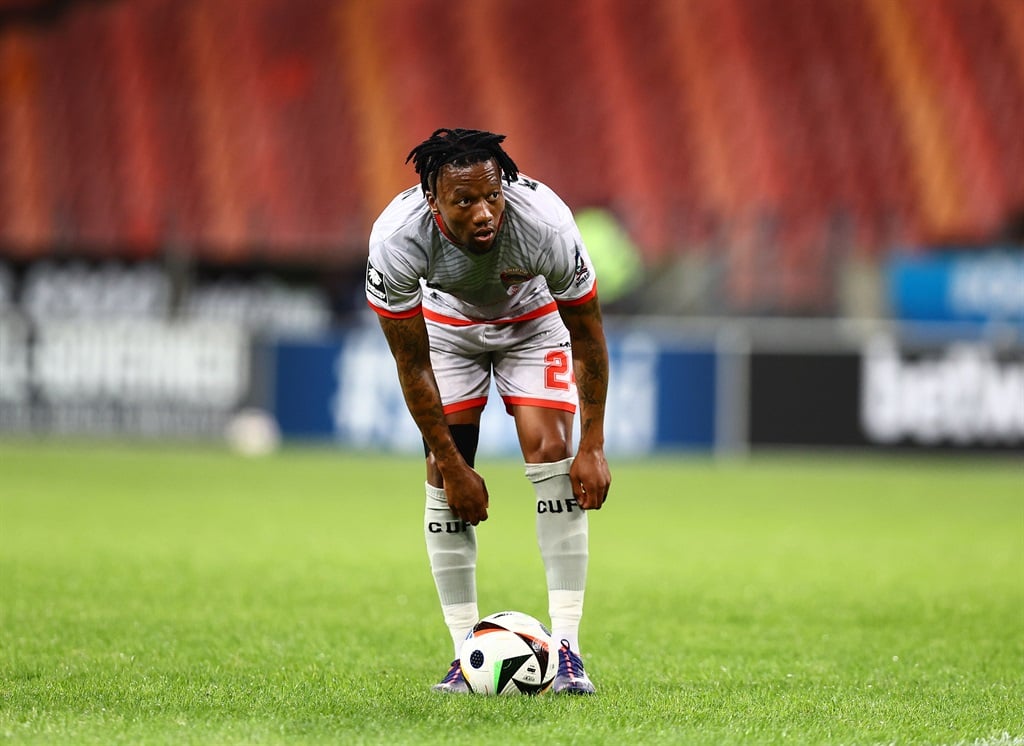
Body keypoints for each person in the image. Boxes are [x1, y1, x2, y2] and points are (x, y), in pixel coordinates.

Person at [365, 128, 612, 695]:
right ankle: (463, 658)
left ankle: (569, 654)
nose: (485, 213)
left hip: (534, 323)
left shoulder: (545, 223)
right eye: (465, 202)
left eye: (493, 196)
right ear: (433, 202)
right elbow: (412, 364)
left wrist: (593, 445)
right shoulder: (396, 240)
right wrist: (452, 464)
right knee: (440, 474)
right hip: (447, 333)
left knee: (553, 451)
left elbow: (589, 338)